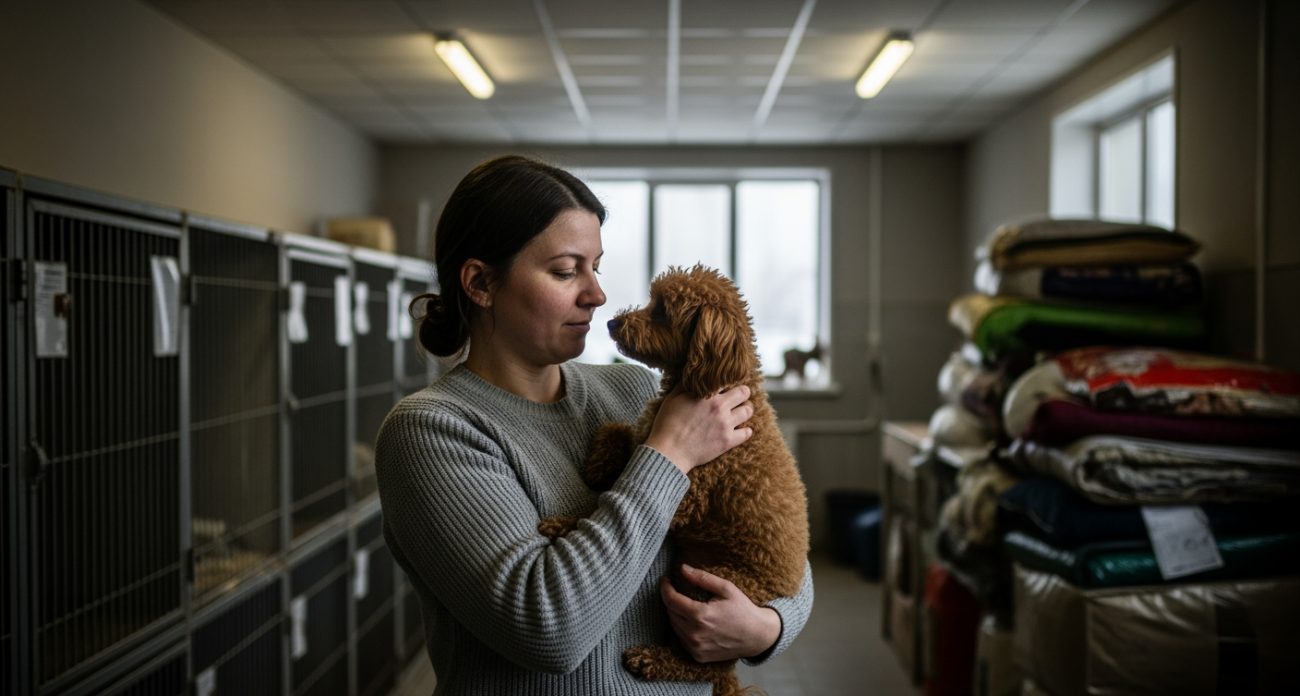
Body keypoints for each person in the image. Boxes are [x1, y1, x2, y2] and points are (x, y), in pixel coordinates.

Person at [375, 155, 813, 695]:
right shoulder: (431, 432)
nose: (597, 295)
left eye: (595, 267)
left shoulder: (630, 389)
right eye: (565, 271)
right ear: (480, 282)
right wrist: (668, 455)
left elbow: (778, 537)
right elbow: (549, 630)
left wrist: (765, 628)